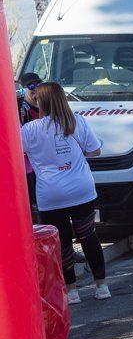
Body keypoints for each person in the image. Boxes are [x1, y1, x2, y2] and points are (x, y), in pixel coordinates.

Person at [21, 82, 110, 304]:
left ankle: (71, 291)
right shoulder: (76, 121)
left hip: (50, 195)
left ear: (41, 102)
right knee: (88, 235)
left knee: (61, 242)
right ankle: (102, 286)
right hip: (81, 189)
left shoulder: (30, 130)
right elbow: (95, 150)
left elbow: (14, 152)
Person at [18, 72, 43, 220]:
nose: (35, 89)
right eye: (31, 86)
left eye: (38, 85)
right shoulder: (22, 108)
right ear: (23, 90)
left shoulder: (46, 105)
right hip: (29, 167)